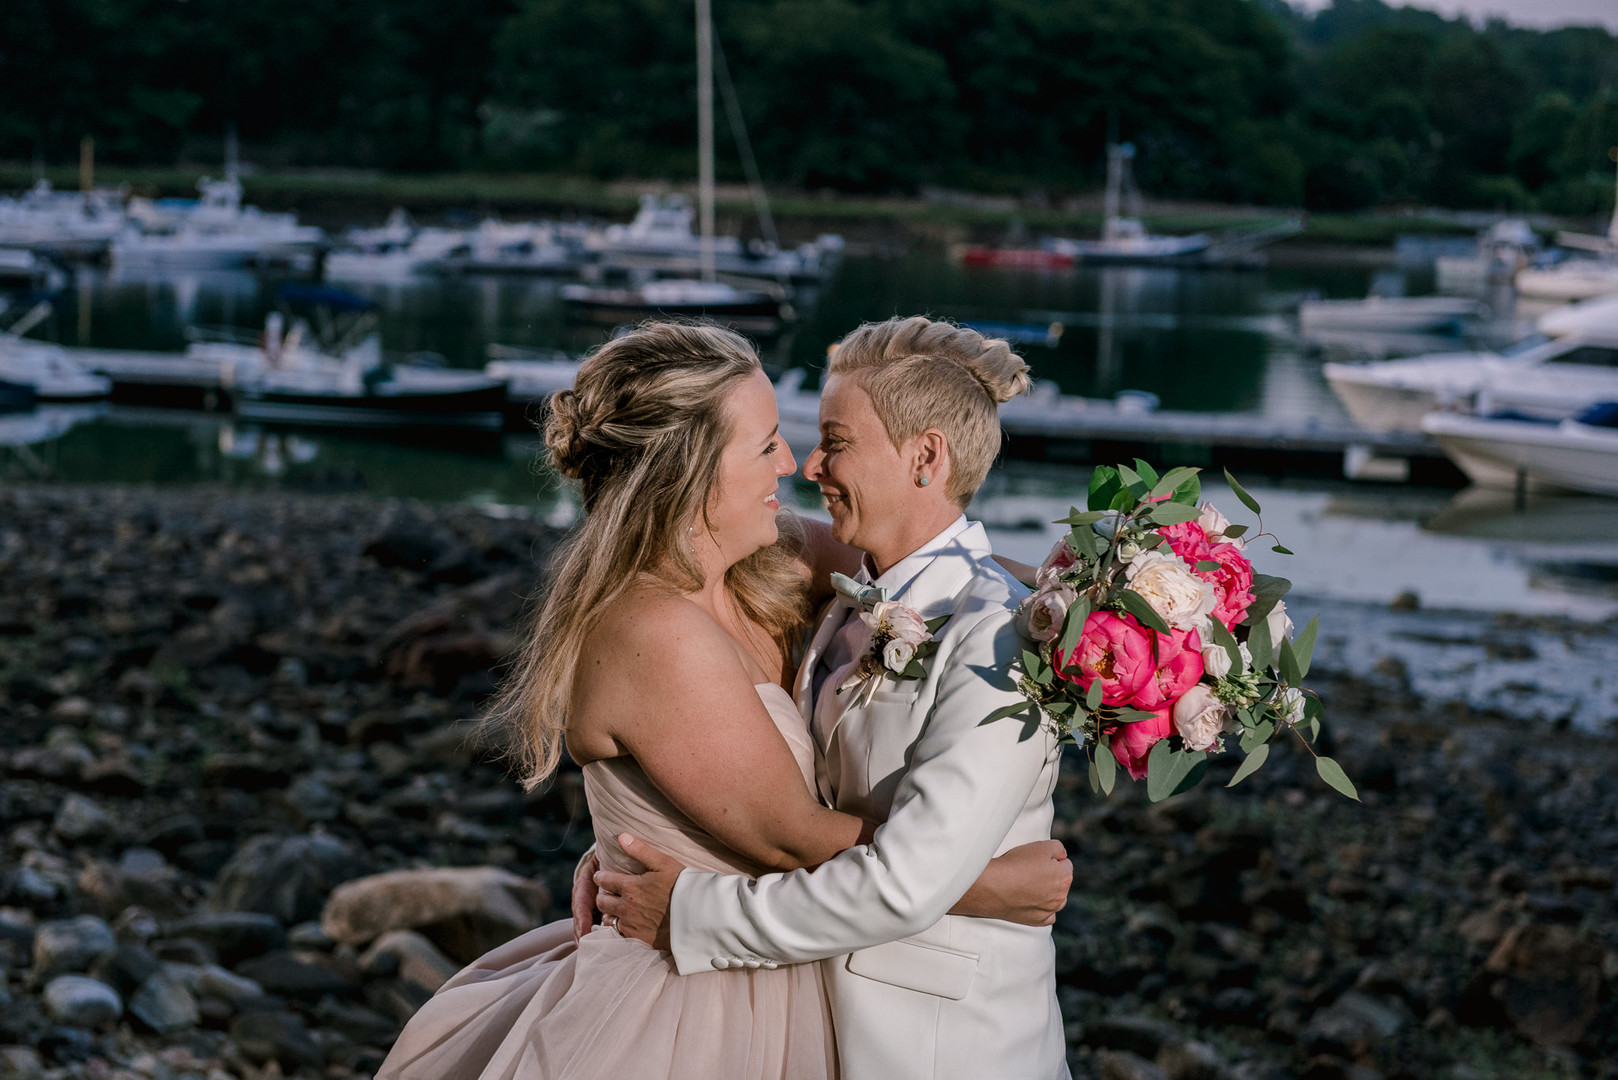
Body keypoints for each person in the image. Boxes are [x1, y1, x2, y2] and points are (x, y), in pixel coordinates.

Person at [374, 321, 1068, 1080]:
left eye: (801, 440)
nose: (792, 463)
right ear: (693, 470)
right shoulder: (654, 628)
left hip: (792, 972)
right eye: (766, 443)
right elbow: (789, 838)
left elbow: (933, 571)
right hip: (692, 1005)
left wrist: (1107, 608)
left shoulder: (777, 561)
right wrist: (986, 884)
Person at [594, 316, 1071, 1080]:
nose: (806, 464)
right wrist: (622, 837)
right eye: (793, 440)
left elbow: (904, 884)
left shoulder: (996, 638)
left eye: (834, 441)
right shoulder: (849, 600)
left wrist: (684, 912)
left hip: (942, 1045)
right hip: (814, 1018)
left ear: (925, 456)